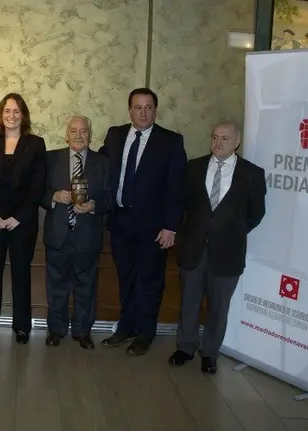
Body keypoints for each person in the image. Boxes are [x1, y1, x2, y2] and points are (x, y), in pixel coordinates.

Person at [169, 121, 266, 373]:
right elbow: (181, 203)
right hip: (193, 249)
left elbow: (256, 213)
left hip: (227, 253)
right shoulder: (193, 167)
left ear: (237, 142)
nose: (218, 142)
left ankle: (210, 353)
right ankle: (185, 347)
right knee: (188, 303)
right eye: (214, 137)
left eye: (225, 138)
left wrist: (232, 232)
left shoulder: (252, 174)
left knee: (218, 308)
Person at [100, 88, 187, 356]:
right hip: (120, 223)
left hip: (154, 228)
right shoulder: (115, 135)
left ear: (155, 110)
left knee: (149, 282)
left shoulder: (170, 141)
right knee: (126, 279)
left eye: (149, 107)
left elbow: (177, 187)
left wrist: (171, 226)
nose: (143, 113)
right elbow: (100, 167)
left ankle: (145, 334)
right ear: (130, 110)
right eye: (138, 107)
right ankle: (126, 327)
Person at [0, 93, 46, 344]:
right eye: (7, 111)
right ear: (0, 115)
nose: (11, 116)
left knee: (20, 274)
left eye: (16, 111)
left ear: (23, 115)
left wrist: (19, 217)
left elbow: (38, 186)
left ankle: (22, 326)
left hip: (22, 224)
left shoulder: (36, 144)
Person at [42, 115, 112, 348]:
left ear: (90, 136)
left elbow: (110, 197)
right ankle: (56, 330)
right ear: (66, 134)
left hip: (88, 236)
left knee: (86, 286)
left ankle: (82, 331)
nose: (79, 136)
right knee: (56, 286)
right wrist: (54, 196)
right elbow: (37, 191)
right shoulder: (51, 159)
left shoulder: (102, 162)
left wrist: (93, 205)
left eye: (83, 131)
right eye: (74, 131)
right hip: (58, 235)